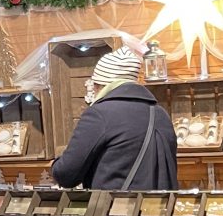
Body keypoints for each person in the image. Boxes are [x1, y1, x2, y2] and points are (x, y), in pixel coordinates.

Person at [52, 45, 178, 191]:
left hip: (117, 210)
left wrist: (55, 165)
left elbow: (66, 175)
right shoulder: (160, 113)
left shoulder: (100, 114)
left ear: (101, 84)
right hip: (159, 209)